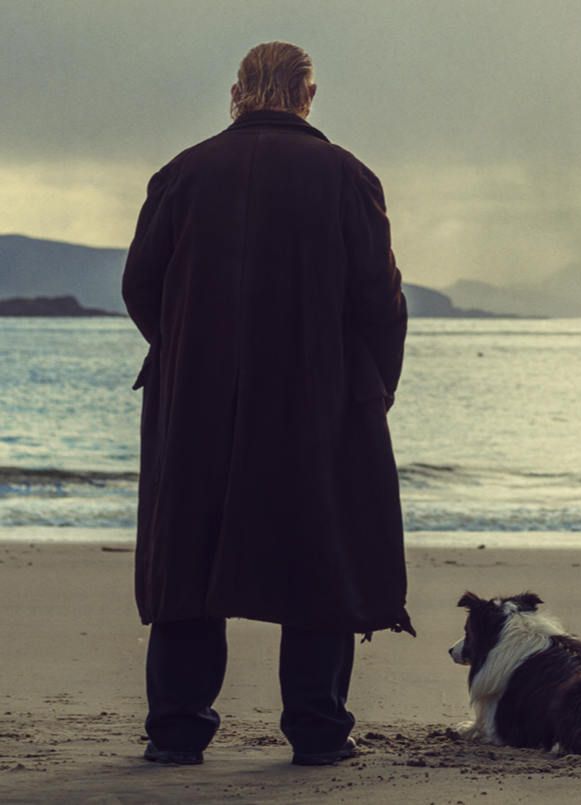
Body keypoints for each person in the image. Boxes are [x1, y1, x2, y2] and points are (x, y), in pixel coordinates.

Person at [123, 41, 414, 767]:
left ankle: (176, 732)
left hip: (197, 403)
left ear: (237, 91)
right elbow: (382, 302)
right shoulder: (347, 177)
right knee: (319, 556)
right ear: (307, 94)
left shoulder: (183, 173)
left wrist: (189, 349)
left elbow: (139, 286)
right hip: (317, 401)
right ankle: (318, 731)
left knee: (190, 559)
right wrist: (371, 385)